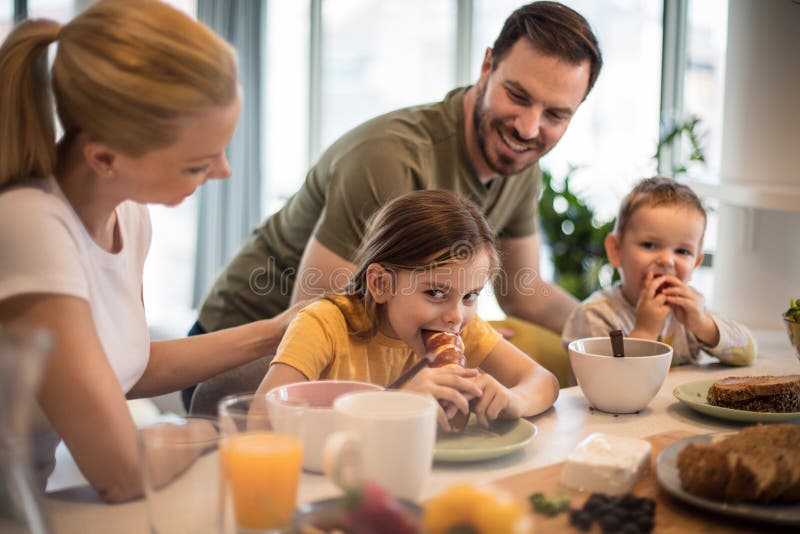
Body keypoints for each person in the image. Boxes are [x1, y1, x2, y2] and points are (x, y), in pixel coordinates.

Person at [188, 1, 603, 407]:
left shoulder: (519, 164)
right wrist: (434, 329)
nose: (529, 127)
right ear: (487, 66)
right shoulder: (391, 159)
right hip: (251, 347)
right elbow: (317, 307)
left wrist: (606, 325)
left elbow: (526, 292)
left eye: (555, 115)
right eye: (517, 95)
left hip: (377, 342)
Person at [0, 0, 302, 502]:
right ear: (104, 157)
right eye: (197, 164)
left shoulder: (129, 217)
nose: (224, 172)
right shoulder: (30, 226)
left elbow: (130, 366)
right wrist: (234, 429)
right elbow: (124, 472)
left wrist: (277, 331)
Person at [257, 190, 560, 430]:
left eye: (470, 295)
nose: (456, 315)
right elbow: (260, 419)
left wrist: (514, 399)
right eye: (435, 292)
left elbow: (543, 380)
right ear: (380, 284)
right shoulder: (323, 324)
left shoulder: (459, 325)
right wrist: (393, 404)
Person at [562, 177, 757, 366]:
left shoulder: (690, 310)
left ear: (695, 264)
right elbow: (603, 386)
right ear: (616, 250)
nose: (666, 260)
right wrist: (644, 332)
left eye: (682, 251)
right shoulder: (594, 316)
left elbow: (748, 353)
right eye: (650, 245)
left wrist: (703, 325)